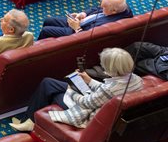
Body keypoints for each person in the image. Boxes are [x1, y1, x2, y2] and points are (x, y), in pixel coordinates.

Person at [10, 47, 142, 132]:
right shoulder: (135, 78)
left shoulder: (110, 89)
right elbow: (106, 89)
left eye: (104, 65)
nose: (102, 67)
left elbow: (86, 102)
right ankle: (28, 119)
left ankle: (30, 121)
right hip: (98, 103)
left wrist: (70, 90)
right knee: (48, 83)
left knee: (49, 87)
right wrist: (89, 80)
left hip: (88, 113)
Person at [37, 0, 132, 39]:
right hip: (82, 22)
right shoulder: (121, 7)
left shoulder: (106, 25)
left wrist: (76, 27)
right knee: (48, 20)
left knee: (46, 31)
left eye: (104, 7)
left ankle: (37, 51)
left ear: (114, 11)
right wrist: (83, 14)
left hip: (78, 32)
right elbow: (95, 9)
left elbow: (86, 37)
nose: (101, 8)